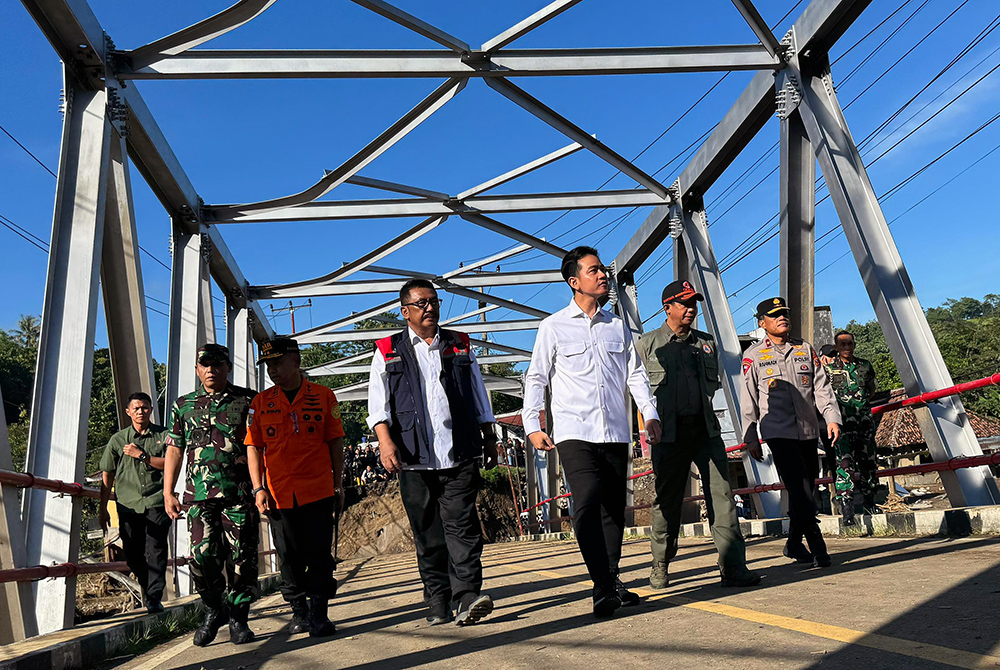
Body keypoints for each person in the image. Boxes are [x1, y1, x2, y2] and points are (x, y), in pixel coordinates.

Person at [523, 246, 662, 618]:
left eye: (603, 270)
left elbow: (635, 374)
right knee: (585, 502)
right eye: (594, 270)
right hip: (573, 430)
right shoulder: (552, 326)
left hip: (615, 430)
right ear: (574, 281)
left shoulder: (618, 326)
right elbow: (535, 377)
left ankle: (611, 579)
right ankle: (602, 585)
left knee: (614, 510)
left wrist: (649, 414)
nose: (603, 275)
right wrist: (532, 425)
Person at [367, 278, 499, 626]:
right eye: (422, 303)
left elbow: (478, 393)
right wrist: (385, 440)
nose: (430, 308)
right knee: (427, 532)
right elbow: (377, 406)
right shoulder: (387, 349)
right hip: (413, 457)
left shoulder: (459, 344)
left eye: (434, 302)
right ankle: (437, 598)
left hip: (459, 452)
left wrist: (489, 436)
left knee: (463, 526)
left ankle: (468, 595)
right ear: (405, 310)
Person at [638, 280, 761, 590]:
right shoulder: (647, 345)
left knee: (722, 498)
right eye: (684, 303)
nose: (691, 308)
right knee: (668, 501)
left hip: (706, 431)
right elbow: (636, 392)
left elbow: (714, 386)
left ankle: (732, 566)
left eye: (694, 303)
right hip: (669, 436)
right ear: (667, 308)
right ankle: (660, 564)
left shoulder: (706, 344)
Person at [245, 337, 344, 637]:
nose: (272, 369)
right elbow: (253, 446)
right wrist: (258, 488)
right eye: (268, 365)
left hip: (318, 490)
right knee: (288, 555)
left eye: (278, 362)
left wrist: (338, 483)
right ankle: (298, 610)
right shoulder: (260, 403)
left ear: (296, 361)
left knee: (318, 554)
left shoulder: (324, 396)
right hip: (278, 494)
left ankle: (320, 613)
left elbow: (335, 440)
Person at [163, 344, 260, 647]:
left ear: (227, 367)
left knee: (242, 559)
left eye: (217, 364)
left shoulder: (248, 400)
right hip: (198, 495)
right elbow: (175, 449)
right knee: (201, 556)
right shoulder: (183, 405)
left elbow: (259, 446)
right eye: (204, 365)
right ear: (196, 369)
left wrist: (261, 488)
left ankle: (238, 618)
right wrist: (168, 491)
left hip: (238, 493)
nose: (210, 370)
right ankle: (213, 608)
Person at [740, 298, 841, 568]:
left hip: (808, 430)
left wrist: (831, 418)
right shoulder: (753, 355)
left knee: (806, 486)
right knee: (800, 488)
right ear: (762, 323)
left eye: (784, 313)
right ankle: (819, 548)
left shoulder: (805, 348)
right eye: (774, 315)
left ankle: (794, 543)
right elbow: (748, 398)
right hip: (778, 432)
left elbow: (821, 387)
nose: (782, 318)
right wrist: (750, 436)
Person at [98, 392, 171, 613]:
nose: (141, 411)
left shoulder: (164, 435)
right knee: (133, 552)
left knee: (156, 549)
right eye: (136, 408)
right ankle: (148, 591)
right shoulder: (118, 440)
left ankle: (155, 597)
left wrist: (143, 456)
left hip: (157, 500)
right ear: (128, 412)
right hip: (128, 504)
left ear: (151, 410)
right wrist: (102, 509)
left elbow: (171, 464)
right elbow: (107, 474)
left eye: (145, 408)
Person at [823, 331, 879, 523]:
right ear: (836, 347)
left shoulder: (864, 366)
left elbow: (871, 390)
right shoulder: (828, 369)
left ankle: (870, 503)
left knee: (868, 463)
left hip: (864, 423)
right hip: (842, 426)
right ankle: (847, 508)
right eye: (843, 344)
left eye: (850, 344)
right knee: (844, 464)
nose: (847, 348)